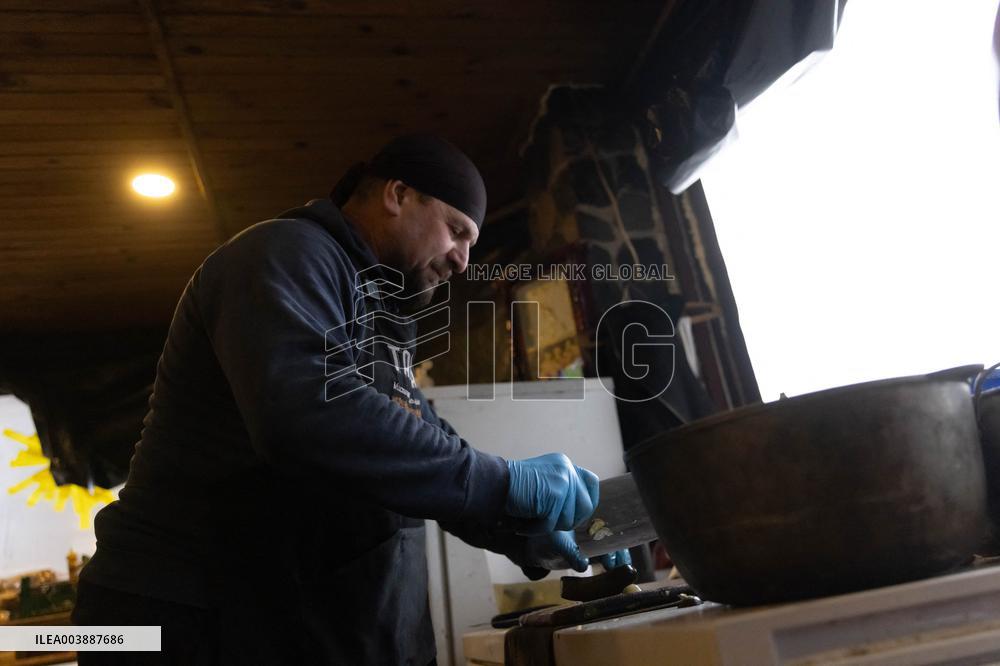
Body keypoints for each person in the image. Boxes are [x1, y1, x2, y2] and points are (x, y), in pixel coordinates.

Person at [72, 134, 629, 665]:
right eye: (457, 230)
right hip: (177, 616)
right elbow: (309, 416)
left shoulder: (380, 322)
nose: (463, 260)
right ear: (398, 194)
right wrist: (505, 481)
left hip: (281, 616)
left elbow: (418, 448)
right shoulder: (283, 254)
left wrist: (529, 529)